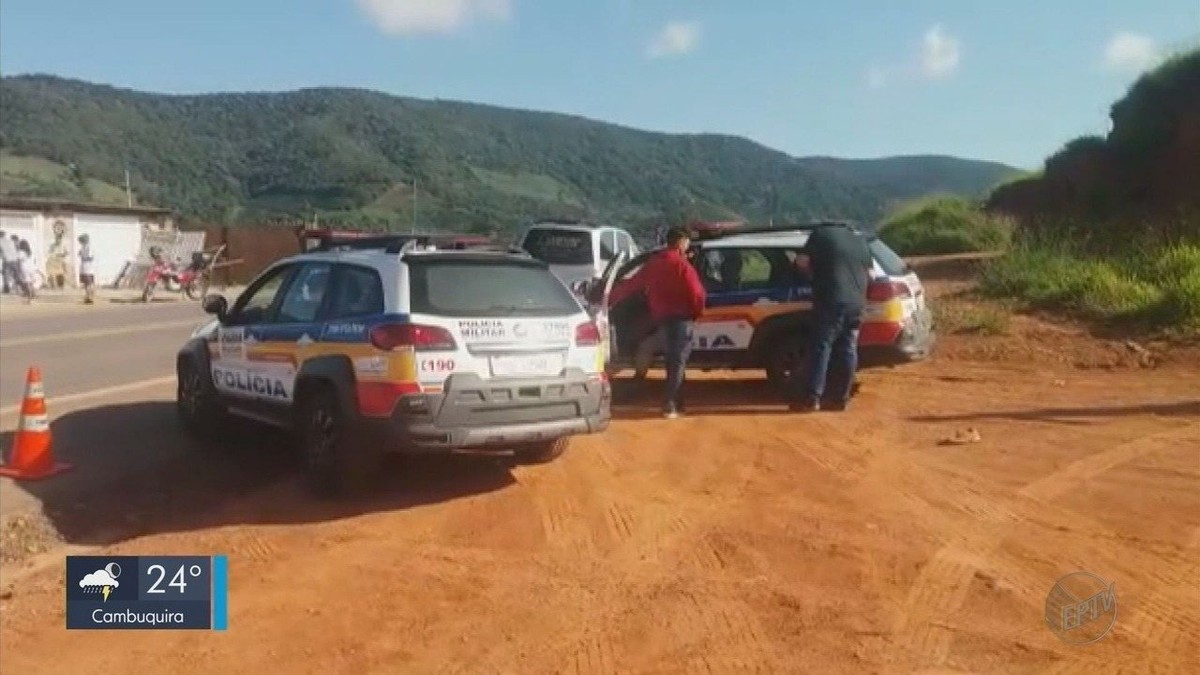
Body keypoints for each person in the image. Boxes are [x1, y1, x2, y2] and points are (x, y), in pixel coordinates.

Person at [608, 227, 707, 418]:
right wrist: (697, 313)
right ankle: (670, 405)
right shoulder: (682, 266)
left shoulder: (654, 263)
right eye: (686, 241)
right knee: (677, 362)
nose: (688, 246)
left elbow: (632, 284)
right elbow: (697, 294)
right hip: (682, 320)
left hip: (663, 319)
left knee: (672, 360)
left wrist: (608, 298)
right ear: (680, 242)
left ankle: (678, 402)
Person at [789, 224, 874, 412]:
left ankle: (812, 398)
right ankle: (840, 398)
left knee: (821, 346)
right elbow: (871, 275)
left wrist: (805, 273)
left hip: (831, 300)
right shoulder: (859, 239)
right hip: (857, 303)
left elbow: (802, 262)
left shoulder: (819, 235)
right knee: (848, 348)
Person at [78, 233, 96, 304]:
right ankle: (87, 296)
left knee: (89, 283)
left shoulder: (89, 248)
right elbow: (79, 254)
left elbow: (91, 257)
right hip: (84, 267)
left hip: (88, 268)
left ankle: (90, 297)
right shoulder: (83, 248)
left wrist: (84, 258)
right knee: (86, 283)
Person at [0, 230, 16, 294]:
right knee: (14, 274)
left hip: (7, 260)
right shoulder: (10, 241)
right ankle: (17, 288)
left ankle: (6, 289)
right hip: (14, 259)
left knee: (5, 275)